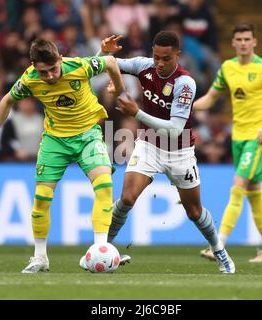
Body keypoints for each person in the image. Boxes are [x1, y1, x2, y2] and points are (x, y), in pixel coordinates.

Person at [97, 31, 235, 273]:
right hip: (148, 144)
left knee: (194, 211)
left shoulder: (185, 83)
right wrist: (103, 51)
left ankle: (219, 251)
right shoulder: (143, 65)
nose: (160, 63)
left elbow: (175, 129)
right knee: (127, 198)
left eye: (166, 58)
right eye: (157, 57)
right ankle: (102, 248)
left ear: (177, 56)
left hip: (179, 151)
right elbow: (101, 64)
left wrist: (136, 113)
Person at [0, 38, 126, 273]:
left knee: (104, 187)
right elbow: (6, 101)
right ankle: (40, 257)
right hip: (54, 140)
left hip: (87, 136)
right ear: (33, 66)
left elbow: (110, 62)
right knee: (41, 200)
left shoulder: (78, 66)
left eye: (53, 69)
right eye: (43, 72)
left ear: (60, 59)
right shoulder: (29, 79)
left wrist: (118, 89)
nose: (49, 76)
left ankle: (100, 249)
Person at [193, 23, 262, 263]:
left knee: (237, 187)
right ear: (233, 43)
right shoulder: (228, 68)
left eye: (248, 39)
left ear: (255, 42)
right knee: (254, 193)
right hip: (238, 137)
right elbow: (210, 98)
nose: (244, 43)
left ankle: (218, 245)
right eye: (240, 39)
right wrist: (185, 107)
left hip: (258, 138)